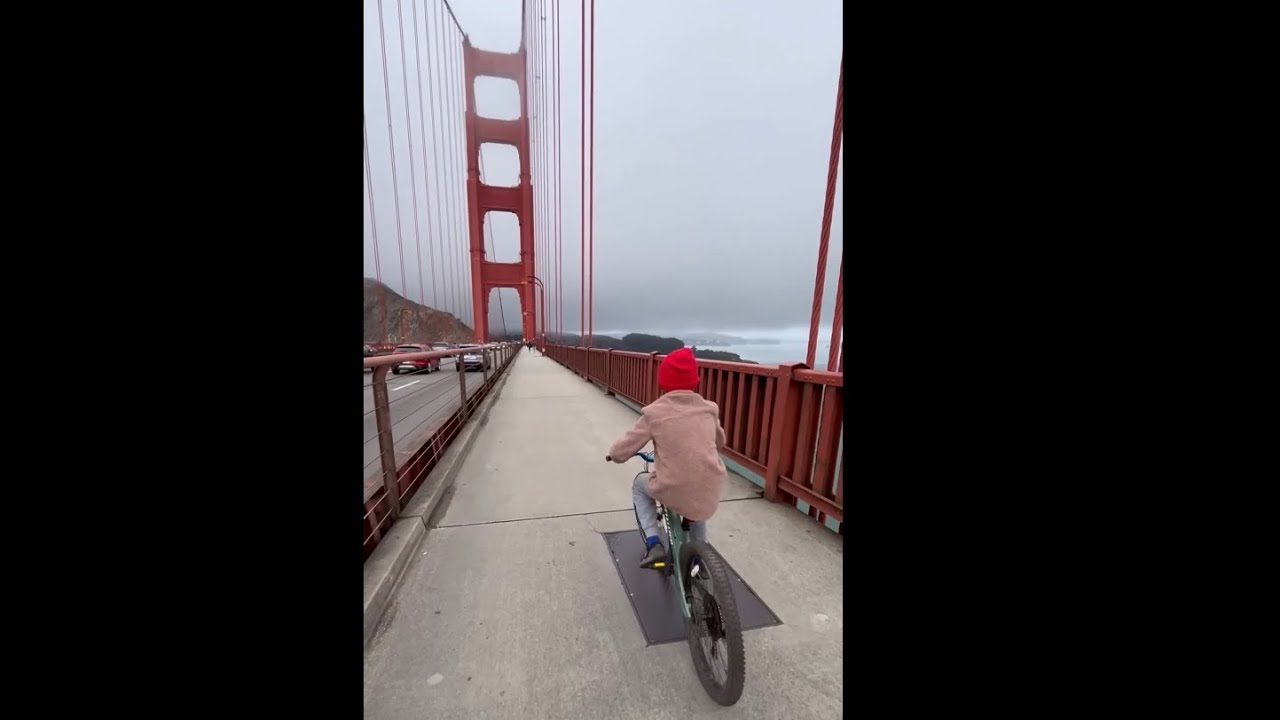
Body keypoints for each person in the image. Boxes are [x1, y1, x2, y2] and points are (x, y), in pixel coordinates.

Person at [607, 347, 727, 568]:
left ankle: (654, 544)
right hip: (710, 485)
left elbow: (619, 452)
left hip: (674, 486)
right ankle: (700, 560)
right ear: (695, 381)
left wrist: (613, 456)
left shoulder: (654, 413)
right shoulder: (710, 409)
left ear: (662, 382)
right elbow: (720, 442)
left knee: (639, 486)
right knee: (696, 497)